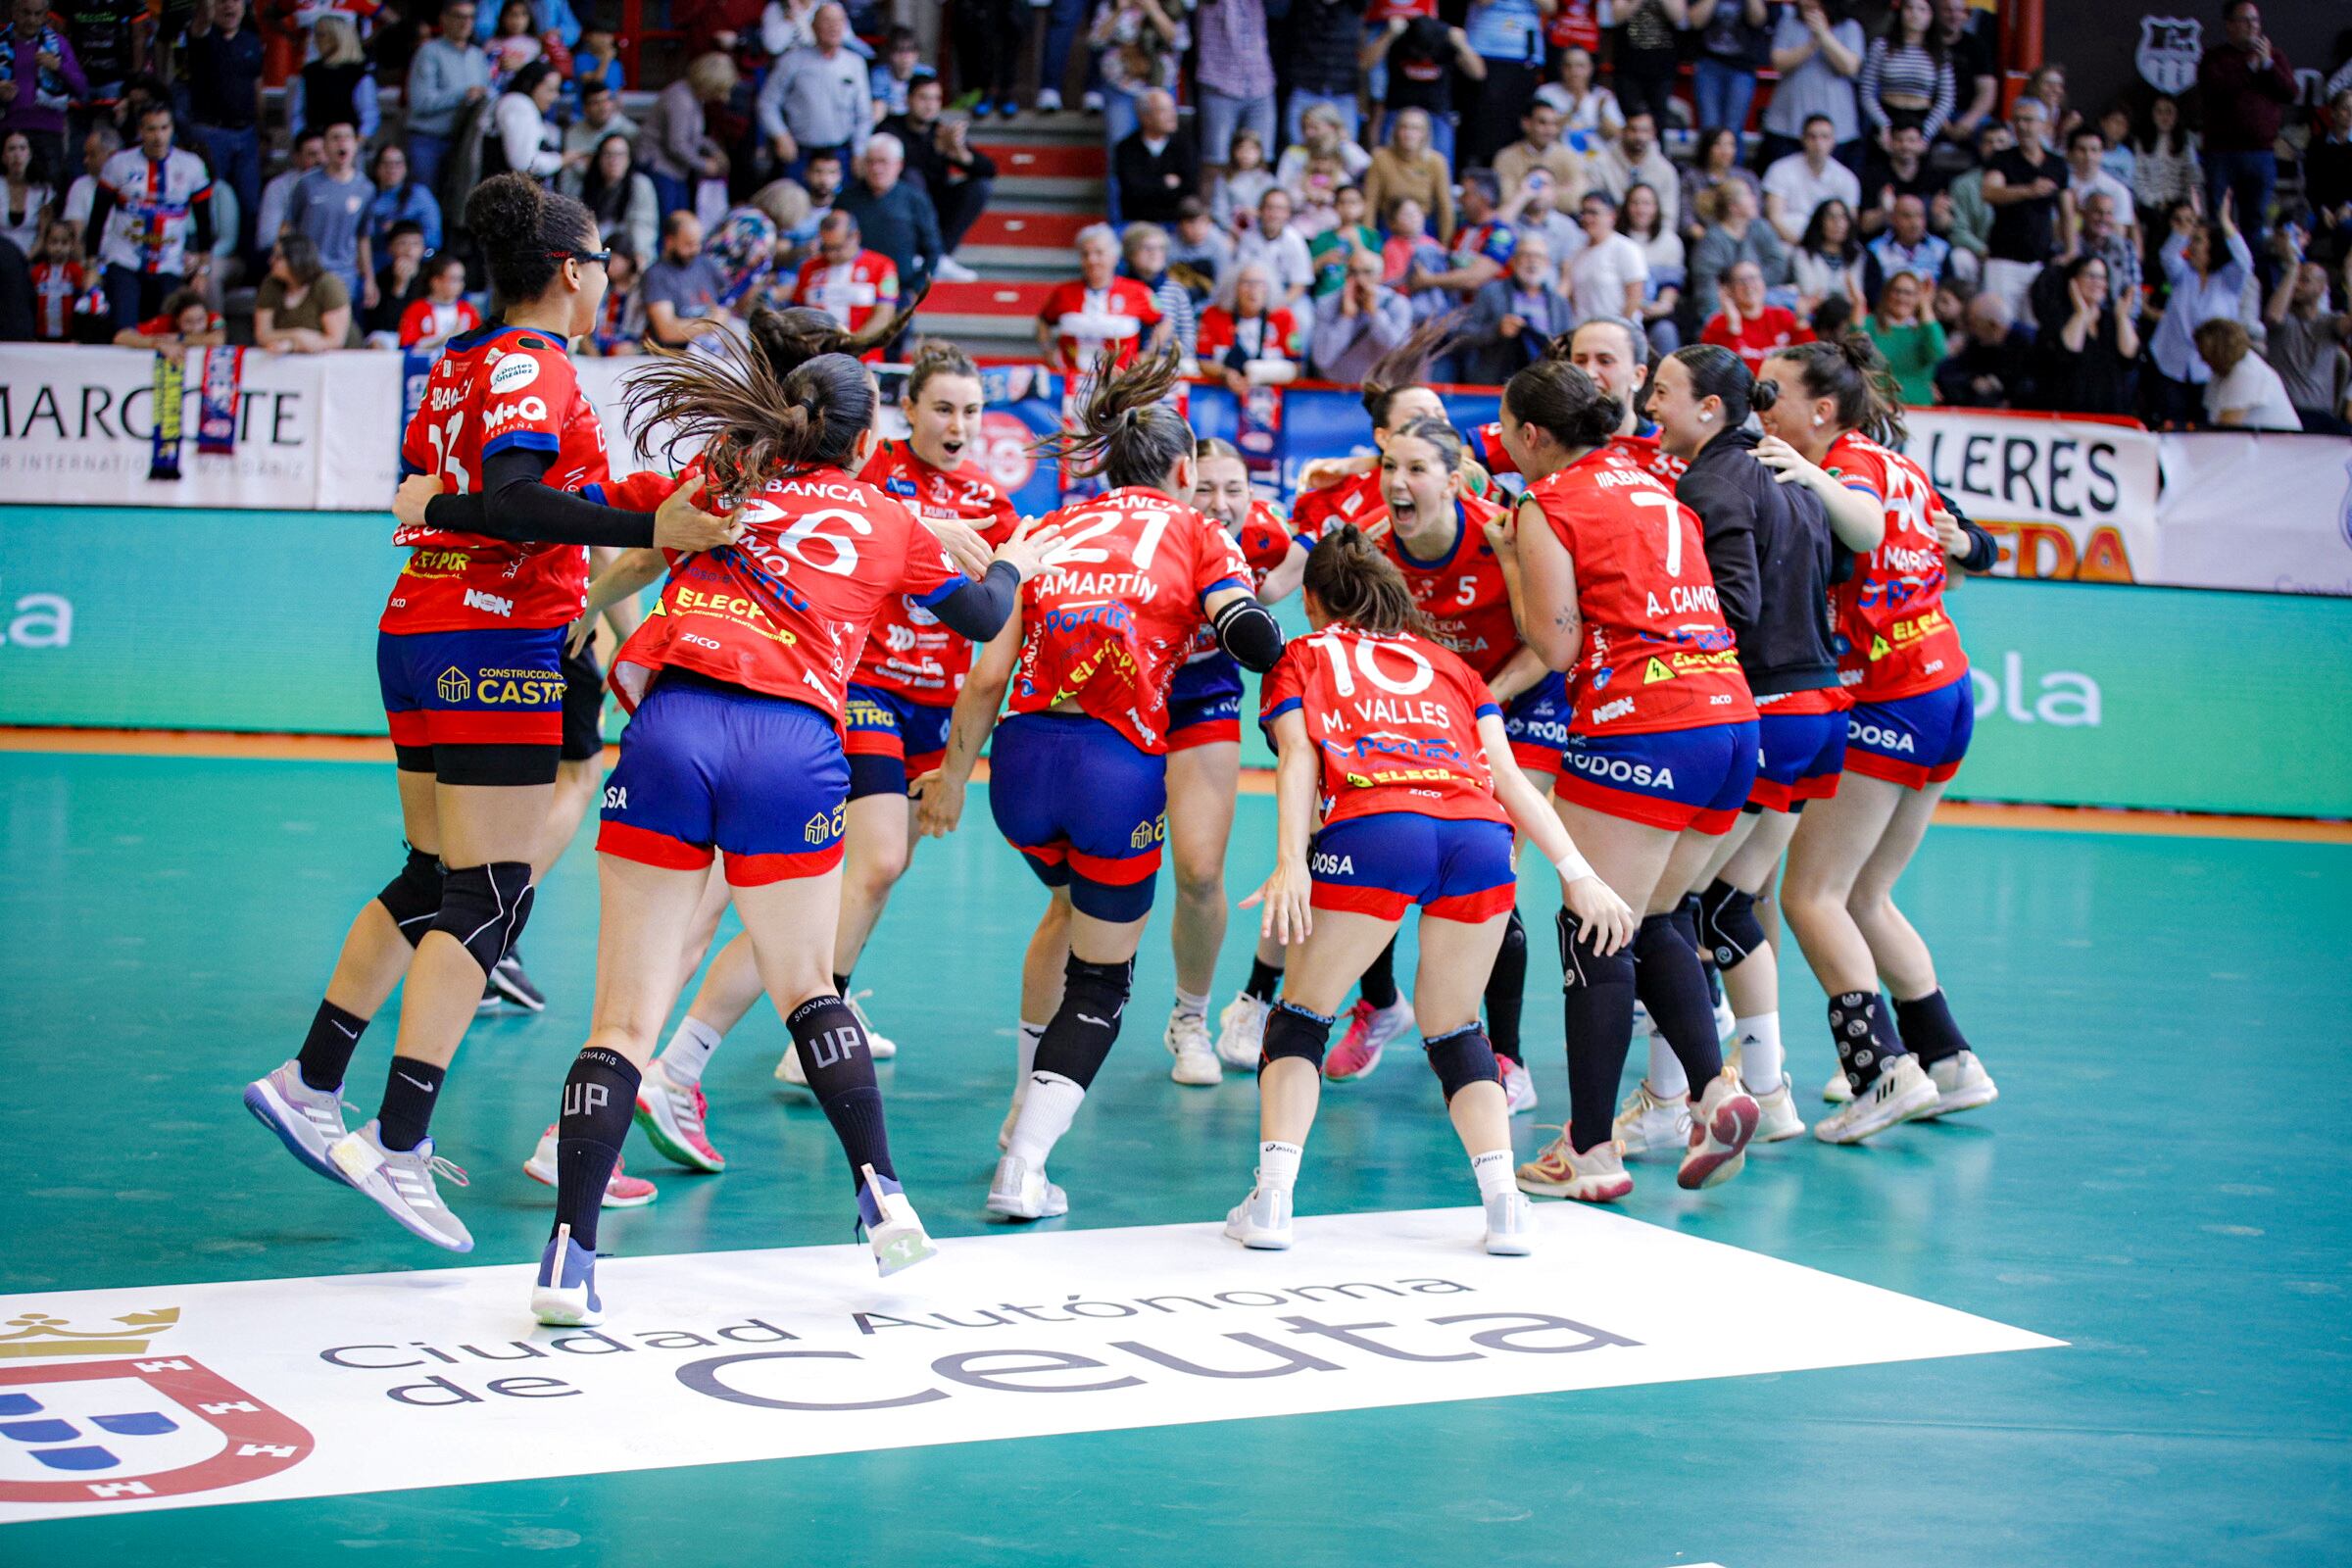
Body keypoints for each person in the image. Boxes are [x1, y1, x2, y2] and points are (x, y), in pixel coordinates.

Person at [242, 172, 741, 1256]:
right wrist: (651, 517)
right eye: (604, 259)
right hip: (490, 639)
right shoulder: (527, 361)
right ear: (571, 269)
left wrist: (640, 533)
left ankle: (311, 1080)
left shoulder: (459, 360)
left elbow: (443, 491)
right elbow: (514, 502)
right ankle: (401, 1141)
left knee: (433, 878)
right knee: (487, 896)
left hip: (421, 630)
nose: (610, 278)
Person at [515, 337, 1047, 1322]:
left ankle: (567, 1254)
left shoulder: (730, 477)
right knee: (807, 984)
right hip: (792, 736)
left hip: (671, 725)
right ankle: (882, 1196)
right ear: (868, 437)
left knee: (620, 1021)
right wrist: (1013, 561)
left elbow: (636, 542)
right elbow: (980, 617)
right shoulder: (891, 519)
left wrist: (574, 611)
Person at [915, 348, 1281, 1222]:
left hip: (1030, 759)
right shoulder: (1202, 534)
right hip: (1123, 747)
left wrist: (954, 776)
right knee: (1103, 966)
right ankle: (1029, 1155)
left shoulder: (1049, 530)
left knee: (1177, 878)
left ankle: (1149, 1039)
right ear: (1187, 473)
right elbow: (1254, 632)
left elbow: (985, 669)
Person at [1231, 525, 1632, 1255]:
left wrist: (1292, 859)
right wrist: (1580, 874)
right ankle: (1505, 1204)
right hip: (1478, 837)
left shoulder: (1300, 656)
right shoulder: (1451, 665)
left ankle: (1272, 1204)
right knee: (1454, 1029)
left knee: (1301, 1019)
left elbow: (1296, 759)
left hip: (1377, 828)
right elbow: (1508, 779)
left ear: (1315, 602)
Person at [1486, 358, 1765, 1202]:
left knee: (1593, 925)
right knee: (1656, 917)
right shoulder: (1653, 482)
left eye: (1505, 426)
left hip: (1645, 721)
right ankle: (1718, 1089)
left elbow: (1558, 646)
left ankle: (1591, 1150)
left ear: (1533, 436)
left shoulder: (1549, 503)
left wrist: (1509, 556)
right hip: (1730, 719)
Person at [1750, 335, 1997, 1140]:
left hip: (1887, 696)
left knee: (1809, 895)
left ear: (1822, 409)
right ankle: (1951, 1062)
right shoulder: (1894, 463)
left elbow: (1869, 539)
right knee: (1864, 895)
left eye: (1771, 394)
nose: (1761, 410)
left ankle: (1882, 1072)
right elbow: (1961, 558)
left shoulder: (1838, 477)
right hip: (1944, 682)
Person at [1614, 343, 1858, 1153]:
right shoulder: (1784, 467)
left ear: (1710, 409)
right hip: (1819, 709)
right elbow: (1844, 563)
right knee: (1724, 905)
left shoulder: (1711, 481)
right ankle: (1769, 1089)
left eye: (1663, 393)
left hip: (1768, 706)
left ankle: (1667, 1101)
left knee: (1664, 910)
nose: (1651, 407)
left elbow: (1734, 604)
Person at [1153, 438, 1302, 1084]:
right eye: (1206, 487)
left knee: (1201, 872)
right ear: (1181, 484)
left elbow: (1309, 547)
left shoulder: (1265, 534)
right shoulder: (1156, 533)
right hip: (1124, 701)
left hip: (1205, 704)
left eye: (1235, 489)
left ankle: (1189, 1020)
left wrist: (1271, 590)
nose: (1222, 502)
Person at [84, 102, 212, 332]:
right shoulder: (118, 164)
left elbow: (205, 223)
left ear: (172, 129)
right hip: (124, 260)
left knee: (166, 332)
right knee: (124, 330)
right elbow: (98, 217)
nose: (158, 136)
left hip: (170, 264)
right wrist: (91, 264)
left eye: (164, 128)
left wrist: (203, 271)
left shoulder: (192, 166)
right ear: (140, 131)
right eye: (151, 129)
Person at [2146, 198, 2254, 426]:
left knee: (2204, 428)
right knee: (2168, 425)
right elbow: (2167, 255)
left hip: (2209, 370)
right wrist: (2186, 229)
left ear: (2213, 246)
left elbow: (2245, 262)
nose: (2191, 246)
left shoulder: (2228, 281)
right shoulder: (2182, 276)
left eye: (2197, 241)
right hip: (2170, 364)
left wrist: (2226, 223)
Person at [2197, 1, 2293, 251]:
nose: (2253, 26)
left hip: (2260, 154)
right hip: (2222, 154)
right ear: (2229, 25)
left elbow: (2290, 92)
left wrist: (2268, 66)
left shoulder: (2273, 57)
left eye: (2256, 21)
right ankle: (2217, 276)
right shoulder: (2214, 58)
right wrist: (2250, 68)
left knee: (2255, 221)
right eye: (2245, 20)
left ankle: (2250, 280)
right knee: (2219, 219)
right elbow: (2216, 91)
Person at [882, 75, 997, 266]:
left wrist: (960, 153)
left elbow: (989, 169)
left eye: (936, 99)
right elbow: (898, 166)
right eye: (924, 98)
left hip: (937, 206)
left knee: (981, 187)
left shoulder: (941, 131)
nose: (930, 105)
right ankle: (919, 251)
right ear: (908, 99)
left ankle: (941, 256)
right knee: (912, 178)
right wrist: (936, 150)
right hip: (900, 209)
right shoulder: (890, 127)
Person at [183, 0, 263, 258]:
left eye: (235, 0)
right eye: (222, 1)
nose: (229, 6)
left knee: (251, 205)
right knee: (210, 202)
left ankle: (247, 267)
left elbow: (257, 86)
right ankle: (208, 260)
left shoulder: (251, 40)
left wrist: (260, 129)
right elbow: (201, 19)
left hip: (247, 135)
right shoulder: (201, 35)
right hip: (210, 135)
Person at [759, 2, 869, 176]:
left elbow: (864, 114)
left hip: (841, 155)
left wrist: (859, 151)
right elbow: (767, 103)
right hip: (800, 154)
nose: (833, 26)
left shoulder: (855, 63)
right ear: (813, 26)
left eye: (839, 21)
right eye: (827, 21)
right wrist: (780, 135)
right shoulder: (791, 61)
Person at [1980, 95, 2064, 320]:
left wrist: (2072, 249)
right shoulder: (2002, 159)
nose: (2023, 126)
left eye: (2029, 120)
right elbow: (1989, 192)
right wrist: (2028, 190)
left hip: (2040, 260)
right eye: (2017, 120)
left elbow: (2067, 207)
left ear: (2044, 125)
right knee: (1999, 322)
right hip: (2003, 258)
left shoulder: (2056, 164)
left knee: (2034, 326)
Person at [1038, 221, 1165, 370]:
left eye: (1099, 253)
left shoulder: (1138, 291)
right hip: (1072, 380)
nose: (1092, 260)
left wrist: (1149, 353)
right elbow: (1043, 322)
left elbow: (1163, 321)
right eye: (1085, 254)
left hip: (1120, 383)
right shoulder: (1063, 292)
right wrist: (1048, 351)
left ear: (1114, 256)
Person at [1363, 13, 1478, 170]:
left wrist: (1462, 44)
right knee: (1387, 167)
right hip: (1398, 112)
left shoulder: (1445, 38)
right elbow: (1365, 64)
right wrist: (1388, 35)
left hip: (1436, 114)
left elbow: (1478, 73)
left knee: (1442, 166)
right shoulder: (1399, 34)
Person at [1760, 0, 1864, 172]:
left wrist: (1824, 35)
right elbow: (1778, 62)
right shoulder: (1789, 22)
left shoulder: (1849, 27)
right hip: (1787, 123)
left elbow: (1850, 66)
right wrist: (1811, 44)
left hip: (1836, 127)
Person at [2029, 253, 2137, 416]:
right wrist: (2081, 313)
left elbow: (2129, 356)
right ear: (2073, 280)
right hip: (2069, 413)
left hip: (2110, 413)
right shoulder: (2058, 318)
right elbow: (2068, 352)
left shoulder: (2110, 320)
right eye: (2090, 275)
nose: (2097, 282)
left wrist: (2122, 317)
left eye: (2102, 277)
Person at [405, 1, 494, 195]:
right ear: (443, 19)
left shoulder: (478, 57)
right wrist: (463, 94)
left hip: (464, 142)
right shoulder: (429, 52)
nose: (465, 23)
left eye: (470, 17)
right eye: (459, 16)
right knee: (424, 199)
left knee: (458, 207)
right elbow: (421, 102)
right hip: (428, 140)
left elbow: (487, 95)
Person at [834, 132, 938, 298]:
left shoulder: (915, 199)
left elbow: (933, 249)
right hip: (852, 288)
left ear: (899, 164)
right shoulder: (846, 199)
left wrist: (917, 287)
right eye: (870, 162)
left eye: (883, 162)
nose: (876, 168)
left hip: (898, 288)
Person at [638, 51, 733, 221]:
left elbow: (694, 136)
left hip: (675, 172)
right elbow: (677, 144)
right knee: (670, 222)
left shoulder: (693, 97)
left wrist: (715, 150)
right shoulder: (680, 99)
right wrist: (704, 164)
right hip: (659, 168)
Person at [2264, 257, 2350, 433]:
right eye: (2295, 279)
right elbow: (2273, 316)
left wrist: (2349, 278)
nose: (2296, 285)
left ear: (2321, 288)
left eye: (2304, 280)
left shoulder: (2330, 321)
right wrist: (2293, 268)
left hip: (2320, 415)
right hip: (2283, 412)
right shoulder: (2283, 319)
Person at [1309, 242, 1413, 383]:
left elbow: (1400, 352)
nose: (1359, 279)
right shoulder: (1327, 304)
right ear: (1345, 275)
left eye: (1367, 272)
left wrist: (1374, 314)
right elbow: (1322, 359)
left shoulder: (1397, 304)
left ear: (1380, 276)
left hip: (1380, 388)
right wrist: (1346, 318)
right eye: (1353, 272)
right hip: (1336, 390)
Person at [1858, 0, 1952, 146]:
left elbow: (1946, 98)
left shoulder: (1939, 52)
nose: (1915, 14)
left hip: (1922, 118)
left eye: (1922, 10)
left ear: (1931, 15)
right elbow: (1867, 91)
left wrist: (1926, 133)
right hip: (1887, 114)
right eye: (1909, 8)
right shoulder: (1881, 46)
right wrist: (1885, 125)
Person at [1764, 115, 1863, 247]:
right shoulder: (1780, 169)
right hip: (1789, 243)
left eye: (1824, 137)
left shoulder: (1847, 178)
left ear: (1833, 141)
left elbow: (1850, 222)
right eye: (1812, 137)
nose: (1818, 143)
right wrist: (1804, 247)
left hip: (1830, 244)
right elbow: (1774, 218)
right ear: (1803, 139)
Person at [2191, 318, 2301, 431]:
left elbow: (2226, 428)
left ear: (2218, 351)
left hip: (2278, 446)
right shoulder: (2220, 372)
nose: (2202, 359)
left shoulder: (2248, 372)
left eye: (2204, 353)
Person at [641, 210, 730, 350]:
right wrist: (710, 324)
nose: (695, 249)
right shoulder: (656, 275)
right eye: (688, 244)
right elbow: (667, 330)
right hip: (675, 356)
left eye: (698, 243)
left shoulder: (705, 264)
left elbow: (727, 302)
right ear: (670, 241)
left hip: (712, 348)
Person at [1364, 106, 1453, 245]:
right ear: (1395, 131)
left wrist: (1444, 245)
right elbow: (1370, 203)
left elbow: (1446, 207)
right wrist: (1368, 242)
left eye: (1415, 129)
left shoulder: (1437, 162)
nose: (1409, 134)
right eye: (1404, 127)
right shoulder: (1381, 157)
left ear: (1425, 134)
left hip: (1424, 225)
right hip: (1390, 225)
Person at [1702, 260, 1810, 373]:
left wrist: (1801, 322)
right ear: (1729, 290)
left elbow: (1808, 359)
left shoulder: (1783, 316)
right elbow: (1722, 371)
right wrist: (1733, 327)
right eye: (1741, 281)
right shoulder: (1717, 324)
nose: (1749, 286)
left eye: (1754, 278)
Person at [1112, 86, 1197, 228]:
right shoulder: (1126, 148)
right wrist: (1165, 184)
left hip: (1176, 225)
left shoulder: (1185, 144)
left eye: (1172, 109)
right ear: (1145, 117)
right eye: (1164, 110)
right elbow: (1132, 191)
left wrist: (1150, 184)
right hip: (1137, 223)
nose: (1172, 115)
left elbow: (1190, 187)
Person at [1689, 0, 1772, 140]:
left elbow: (1758, 19)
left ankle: (1733, 162)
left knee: (1734, 130)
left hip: (1742, 67)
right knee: (1709, 128)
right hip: (1708, 65)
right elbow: (1695, 21)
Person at [289, 15, 379, 142]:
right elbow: (298, 114)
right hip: (315, 145)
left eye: (321, 35)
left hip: (347, 146)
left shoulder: (358, 74)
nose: (315, 40)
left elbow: (369, 116)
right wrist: (302, 140)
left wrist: (355, 144)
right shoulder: (310, 72)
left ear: (337, 38)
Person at [570, 132, 658, 265]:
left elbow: (643, 224)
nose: (614, 160)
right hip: (593, 252)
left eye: (620, 155)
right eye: (608, 155)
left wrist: (637, 254)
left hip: (628, 252)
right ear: (599, 158)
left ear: (628, 159)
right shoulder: (584, 186)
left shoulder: (640, 185)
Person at [1863, 266, 1944, 406]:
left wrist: (1925, 304)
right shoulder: (1870, 324)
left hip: (1917, 407)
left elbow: (1937, 352)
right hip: (1876, 406)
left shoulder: (1924, 329)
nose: (1902, 297)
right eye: (1897, 291)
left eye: (1909, 293)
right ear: (1887, 293)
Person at [1566, 192, 1647, 328]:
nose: (1587, 218)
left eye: (1593, 213)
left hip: (1621, 332)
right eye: (1584, 212)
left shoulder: (1626, 248)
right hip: (1585, 332)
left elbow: (1635, 296)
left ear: (1611, 216)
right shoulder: (1576, 253)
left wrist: (1619, 328)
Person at [1623, 182, 1685, 353]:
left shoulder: (1670, 241)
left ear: (1656, 208)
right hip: (1621, 310)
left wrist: (1662, 305)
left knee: (1666, 332)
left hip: (1655, 312)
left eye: (1646, 204)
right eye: (1635, 203)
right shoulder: (1616, 239)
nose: (1640, 209)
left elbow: (1671, 284)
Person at [1592, 111, 1677, 234]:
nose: (1639, 137)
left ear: (1653, 133)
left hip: (1652, 240)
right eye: (1633, 130)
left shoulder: (1666, 171)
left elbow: (1668, 219)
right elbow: (1593, 209)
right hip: (1609, 237)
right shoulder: (1600, 165)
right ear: (1623, 131)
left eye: (1644, 131)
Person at [2130, 95, 2201, 239]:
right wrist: (2153, 202)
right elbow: (2138, 177)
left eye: (2169, 112)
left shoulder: (2186, 142)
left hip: (2178, 202)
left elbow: (2192, 177)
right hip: (2150, 204)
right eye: (2159, 112)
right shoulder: (2141, 142)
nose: (2164, 117)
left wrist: (2186, 202)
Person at [1494, 100, 1584, 210]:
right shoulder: (1506, 157)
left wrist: (1527, 194)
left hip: (1560, 221)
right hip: (1518, 223)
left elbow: (1577, 199)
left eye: (1554, 124)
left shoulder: (1568, 156)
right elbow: (1505, 199)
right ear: (1526, 124)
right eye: (1542, 123)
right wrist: (1557, 191)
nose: (1549, 130)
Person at [1932, 0, 1996, 149]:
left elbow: (1987, 92)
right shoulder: (1925, 44)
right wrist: (1939, 119)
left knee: (1994, 135)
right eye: (1947, 10)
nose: (1954, 15)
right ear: (1936, 13)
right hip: (1930, 114)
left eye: (1959, 11)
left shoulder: (1977, 46)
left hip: (1967, 114)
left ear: (1966, 15)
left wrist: (1970, 120)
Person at [1234, 185, 1313, 305]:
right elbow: (1241, 275)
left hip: (1287, 295)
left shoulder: (1295, 240)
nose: (1274, 214)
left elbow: (1299, 285)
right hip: (1254, 292)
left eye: (1280, 209)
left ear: (1288, 213)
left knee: (1303, 318)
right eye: (1269, 208)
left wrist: (1277, 307)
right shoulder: (1248, 237)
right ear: (1260, 210)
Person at [1791, 198, 1867, 319]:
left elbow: (1855, 293)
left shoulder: (1856, 253)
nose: (1838, 223)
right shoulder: (1804, 253)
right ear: (1820, 221)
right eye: (1831, 217)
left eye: (1843, 217)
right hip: (1814, 314)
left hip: (1847, 314)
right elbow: (1809, 291)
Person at [1864, 192, 1949, 297]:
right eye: (1907, 216)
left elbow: (1948, 287)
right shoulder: (1875, 249)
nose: (1915, 223)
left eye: (1919, 216)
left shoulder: (1941, 248)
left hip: (1932, 306)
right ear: (1893, 219)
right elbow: (1873, 292)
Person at [367, 143, 443, 257]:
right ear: (377, 168)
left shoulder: (419, 195)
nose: (392, 169)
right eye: (386, 163)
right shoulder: (366, 193)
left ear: (406, 168)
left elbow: (434, 239)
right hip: (374, 259)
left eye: (397, 163)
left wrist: (401, 232)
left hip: (414, 259)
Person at [398, 252, 481, 349]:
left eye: (461, 279)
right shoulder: (417, 309)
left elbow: (479, 345)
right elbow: (407, 347)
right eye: (454, 279)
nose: (460, 284)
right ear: (435, 282)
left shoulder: (468, 310)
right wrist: (442, 340)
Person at [364, 220, 429, 343]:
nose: (409, 250)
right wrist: (400, 285)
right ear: (390, 248)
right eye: (402, 243)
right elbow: (384, 325)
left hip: (425, 334)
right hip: (393, 335)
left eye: (416, 244)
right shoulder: (380, 278)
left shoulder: (431, 275)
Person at [112, 283, 220, 355]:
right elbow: (121, 337)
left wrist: (178, 338)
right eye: (188, 322)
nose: (196, 328)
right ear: (177, 320)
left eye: (200, 320)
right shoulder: (164, 322)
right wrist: (158, 344)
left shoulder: (214, 318)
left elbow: (217, 339)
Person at [564, 76, 637, 162]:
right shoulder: (574, 134)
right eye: (596, 102)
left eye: (606, 100)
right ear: (585, 109)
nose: (603, 107)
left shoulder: (629, 130)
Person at [0, 127, 48, 255]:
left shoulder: (42, 191)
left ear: (30, 155)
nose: (17, 154)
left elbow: (43, 237)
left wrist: (25, 260)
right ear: (3, 157)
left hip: (30, 259)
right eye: (11, 149)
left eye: (22, 148)